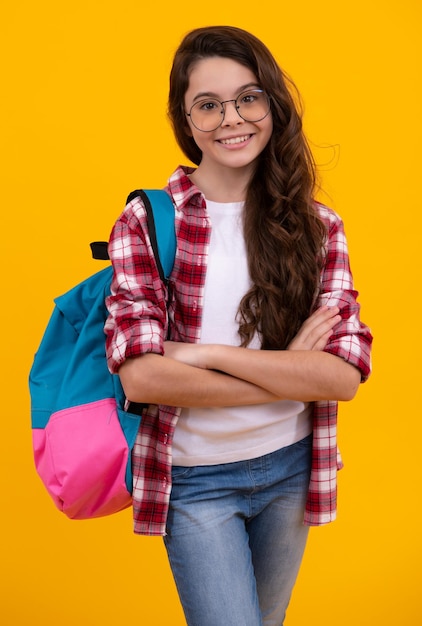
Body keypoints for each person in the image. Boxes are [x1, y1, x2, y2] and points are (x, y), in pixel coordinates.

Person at [105, 25, 372, 626]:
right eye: (209, 104)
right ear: (186, 118)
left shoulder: (317, 226)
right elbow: (143, 379)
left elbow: (343, 377)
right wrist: (293, 374)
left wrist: (199, 356)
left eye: (248, 97)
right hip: (197, 484)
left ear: (272, 103)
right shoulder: (149, 221)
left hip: (290, 467)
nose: (232, 118)